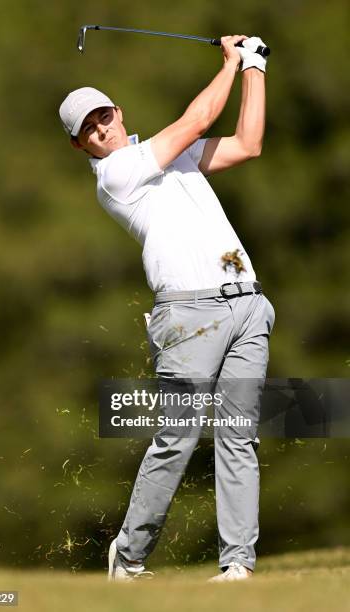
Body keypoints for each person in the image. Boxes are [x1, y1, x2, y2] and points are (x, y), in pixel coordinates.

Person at [59, 34, 275, 582]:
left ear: (118, 112)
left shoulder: (167, 152)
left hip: (247, 305)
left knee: (239, 434)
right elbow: (199, 118)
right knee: (176, 437)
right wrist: (229, 61)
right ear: (80, 146)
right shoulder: (116, 176)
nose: (101, 128)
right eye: (89, 128)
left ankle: (238, 566)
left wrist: (254, 68)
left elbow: (247, 144)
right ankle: (128, 559)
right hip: (189, 316)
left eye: (103, 116)